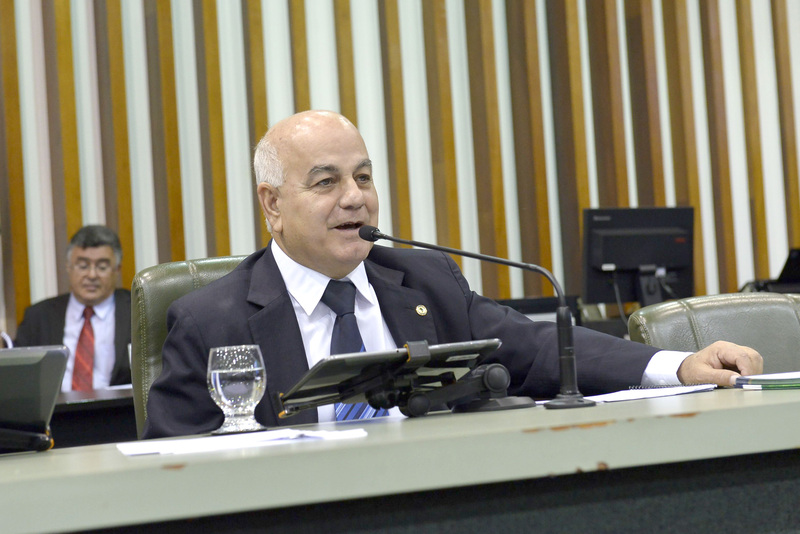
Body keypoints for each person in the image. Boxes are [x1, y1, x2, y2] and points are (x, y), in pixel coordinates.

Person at [143, 110, 762, 439]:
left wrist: (679, 366)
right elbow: (171, 465)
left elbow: (537, 348)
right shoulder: (211, 320)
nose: (356, 197)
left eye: (363, 177)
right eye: (326, 181)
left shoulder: (424, 280)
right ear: (273, 205)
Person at [15, 225, 131, 391]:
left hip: (120, 407)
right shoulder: (39, 316)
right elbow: (19, 375)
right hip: (57, 407)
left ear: (117, 269)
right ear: (68, 267)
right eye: (83, 266)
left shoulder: (137, 312)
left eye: (102, 267)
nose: (92, 275)